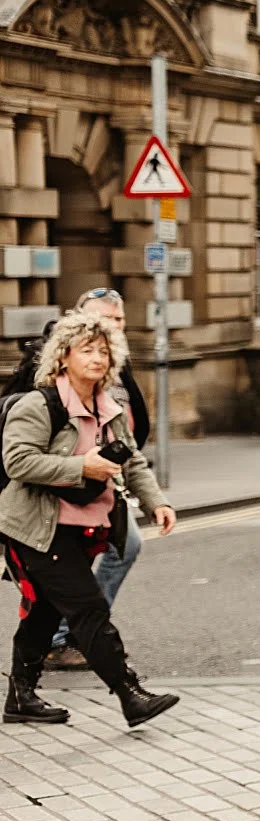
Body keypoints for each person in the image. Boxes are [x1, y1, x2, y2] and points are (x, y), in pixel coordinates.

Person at [2, 311, 180, 729]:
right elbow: (18, 461)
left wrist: (156, 502)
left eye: (104, 351)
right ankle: (129, 693)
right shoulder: (38, 404)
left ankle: (20, 697)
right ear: (63, 357)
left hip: (84, 525)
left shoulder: (109, 407)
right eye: (87, 350)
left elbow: (132, 460)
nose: (98, 358)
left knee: (44, 612)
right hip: (36, 527)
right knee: (89, 609)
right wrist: (82, 466)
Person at [44, 289, 151, 672]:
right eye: (106, 320)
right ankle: (67, 639)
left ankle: (77, 634)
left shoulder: (115, 365)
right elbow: (24, 447)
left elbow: (128, 430)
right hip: (62, 488)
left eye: (120, 320)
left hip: (106, 482)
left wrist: (151, 496)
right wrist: (78, 467)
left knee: (125, 547)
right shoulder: (53, 373)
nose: (115, 328)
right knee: (66, 568)